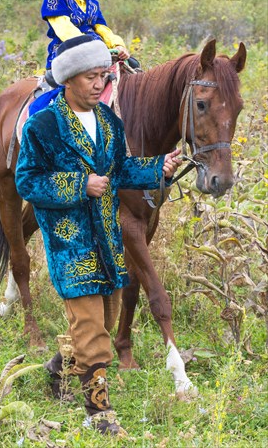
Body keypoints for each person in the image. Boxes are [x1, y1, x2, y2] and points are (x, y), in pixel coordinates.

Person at [15, 35, 182, 436]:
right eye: (91, 77)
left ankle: (58, 365)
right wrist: (77, 185)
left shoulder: (109, 122)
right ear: (69, 79)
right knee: (93, 331)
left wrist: (157, 167)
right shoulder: (44, 125)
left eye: (104, 77)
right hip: (71, 244)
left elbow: (121, 171)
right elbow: (27, 181)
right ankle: (99, 414)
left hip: (108, 242)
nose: (99, 85)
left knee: (102, 320)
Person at [41, 0, 139, 87]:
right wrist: (91, 47)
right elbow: (64, 28)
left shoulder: (93, 4)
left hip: (100, 53)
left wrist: (117, 46)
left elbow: (103, 29)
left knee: (133, 67)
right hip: (69, 51)